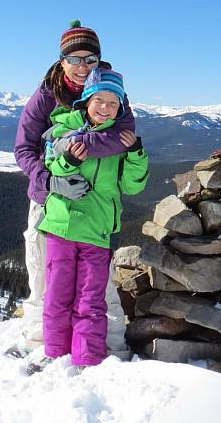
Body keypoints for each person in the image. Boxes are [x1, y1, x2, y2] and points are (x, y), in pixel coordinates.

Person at [11, 21, 135, 356]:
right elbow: (23, 149)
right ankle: (42, 345)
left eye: (90, 59)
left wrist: (67, 142)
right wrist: (51, 180)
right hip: (49, 198)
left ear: (99, 60)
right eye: (75, 58)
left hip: (95, 203)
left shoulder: (110, 89)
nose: (82, 66)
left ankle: (110, 346)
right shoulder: (47, 95)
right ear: (62, 61)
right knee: (43, 275)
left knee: (98, 282)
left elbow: (123, 137)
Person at [26, 68, 149, 373]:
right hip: (62, 226)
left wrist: (136, 155)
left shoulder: (120, 141)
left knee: (91, 300)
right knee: (56, 294)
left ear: (120, 107)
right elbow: (52, 167)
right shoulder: (62, 131)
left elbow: (133, 186)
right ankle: (55, 353)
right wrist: (67, 162)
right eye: (100, 100)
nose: (105, 108)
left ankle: (87, 359)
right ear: (86, 100)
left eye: (113, 103)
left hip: (96, 230)